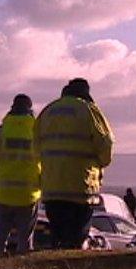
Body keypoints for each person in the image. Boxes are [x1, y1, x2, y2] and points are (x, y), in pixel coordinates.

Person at [35, 79, 114, 249]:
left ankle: (56, 267)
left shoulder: (48, 111)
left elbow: (35, 147)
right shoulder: (90, 111)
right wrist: (101, 163)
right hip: (81, 187)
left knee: (58, 236)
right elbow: (106, 143)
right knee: (76, 239)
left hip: (53, 188)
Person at [0, 94, 41, 255]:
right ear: (30, 110)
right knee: (25, 245)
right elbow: (47, 163)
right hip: (29, 196)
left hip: (4, 195)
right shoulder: (38, 135)